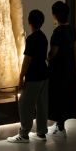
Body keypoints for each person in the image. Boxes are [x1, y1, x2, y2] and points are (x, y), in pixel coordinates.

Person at [8, 9, 49, 143]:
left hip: (34, 76)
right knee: (41, 104)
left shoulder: (31, 39)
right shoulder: (43, 37)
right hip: (44, 74)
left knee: (25, 104)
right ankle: (41, 132)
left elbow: (27, 59)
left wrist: (21, 77)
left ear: (29, 22)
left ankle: (24, 134)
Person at [47, 1, 76, 138]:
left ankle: (60, 128)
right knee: (66, 94)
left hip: (58, 69)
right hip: (69, 66)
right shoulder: (72, 29)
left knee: (58, 95)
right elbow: (74, 47)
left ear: (55, 15)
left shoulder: (58, 32)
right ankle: (61, 125)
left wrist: (48, 57)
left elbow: (54, 52)